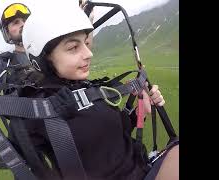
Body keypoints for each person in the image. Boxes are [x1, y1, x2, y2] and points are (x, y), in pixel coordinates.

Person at [19, 1, 179, 180]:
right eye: (73, 47)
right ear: (43, 59)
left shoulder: (86, 88)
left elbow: (116, 130)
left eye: (86, 43)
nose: (89, 53)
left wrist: (140, 111)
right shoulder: (37, 109)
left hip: (143, 168)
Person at [0, 2, 43, 85]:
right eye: (16, 22)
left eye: (25, 21)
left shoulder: (48, 53)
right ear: (7, 33)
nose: (23, 24)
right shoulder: (2, 63)